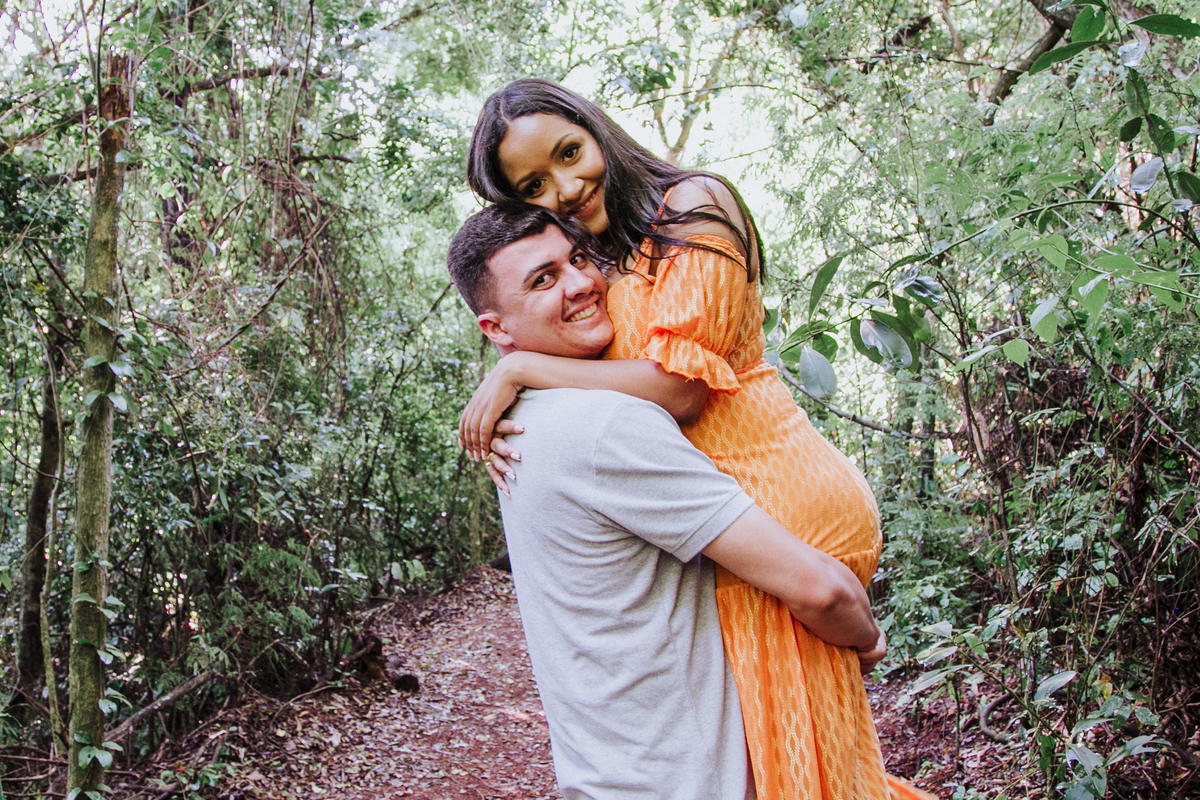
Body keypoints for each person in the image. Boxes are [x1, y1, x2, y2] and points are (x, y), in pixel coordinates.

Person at [459, 79, 933, 800]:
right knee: (807, 768)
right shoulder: (603, 254)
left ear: (596, 129)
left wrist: (521, 368)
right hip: (732, 523)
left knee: (807, 777)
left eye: (569, 152)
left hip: (778, 506)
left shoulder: (693, 203)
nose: (566, 186)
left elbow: (681, 390)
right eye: (534, 185)